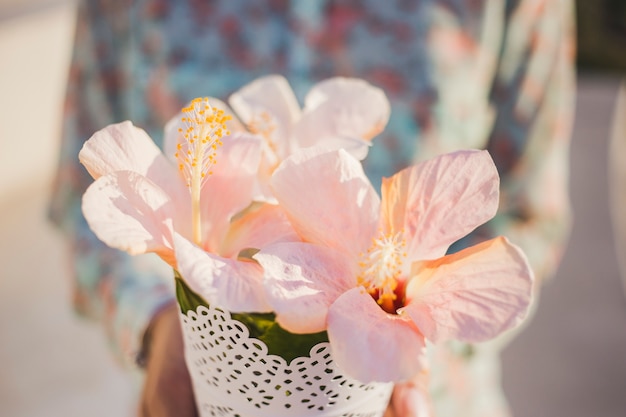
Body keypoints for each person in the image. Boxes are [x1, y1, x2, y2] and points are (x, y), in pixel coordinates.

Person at [49, 1, 576, 416]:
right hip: (201, 392)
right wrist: (158, 326)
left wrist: (420, 345)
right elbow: (80, 200)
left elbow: (531, 210)